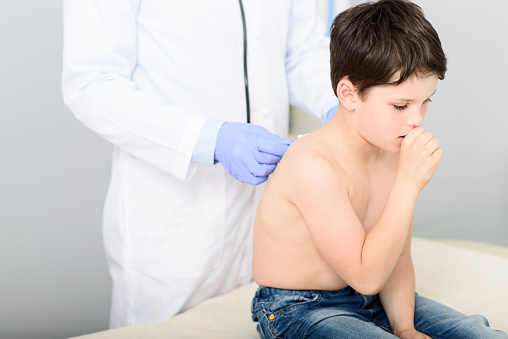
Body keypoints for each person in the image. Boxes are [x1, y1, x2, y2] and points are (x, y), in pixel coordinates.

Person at [61, 0, 338, 329]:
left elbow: (301, 50)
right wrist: (211, 138)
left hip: (268, 216)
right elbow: (93, 84)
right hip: (175, 222)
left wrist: (341, 104)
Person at [251, 1, 507, 338]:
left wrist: (405, 327)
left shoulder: (390, 150)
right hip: (299, 307)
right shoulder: (313, 165)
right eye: (400, 105)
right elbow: (365, 276)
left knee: (478, 334)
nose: (416, 119)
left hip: (370, 297)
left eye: (426, 101)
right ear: (349, 94)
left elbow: (396, 257)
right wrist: (408, 184)